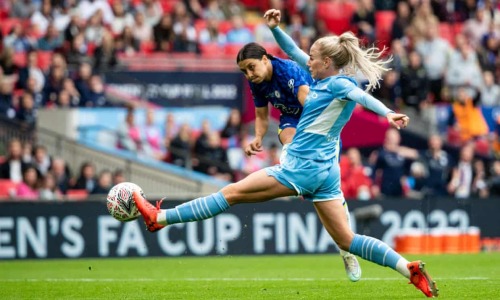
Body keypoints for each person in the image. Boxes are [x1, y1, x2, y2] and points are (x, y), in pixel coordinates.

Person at [132, 9, 437, 298]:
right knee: (347, 240)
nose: (308, 62)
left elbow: (360, 96)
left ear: (327, 62)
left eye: (313, 59)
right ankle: (406, 269)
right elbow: (292, 51)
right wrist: (275, 29)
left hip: (302, 168)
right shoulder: (323, 79)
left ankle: (160, 218)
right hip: (326, 171)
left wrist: (388, 113)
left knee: (231, 193)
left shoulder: (338, 84)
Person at [237, 41, 362, 281]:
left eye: (251, 67)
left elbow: (311, 105)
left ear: (265, 59)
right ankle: (298, 176)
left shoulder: (289, 71)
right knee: (291, 143)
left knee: (328, 198)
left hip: (318, 125)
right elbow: (262, 116)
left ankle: (346, 250)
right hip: (291, 122)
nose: (249, 75)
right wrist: (258, 137)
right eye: (244, 71)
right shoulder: (257, 82)